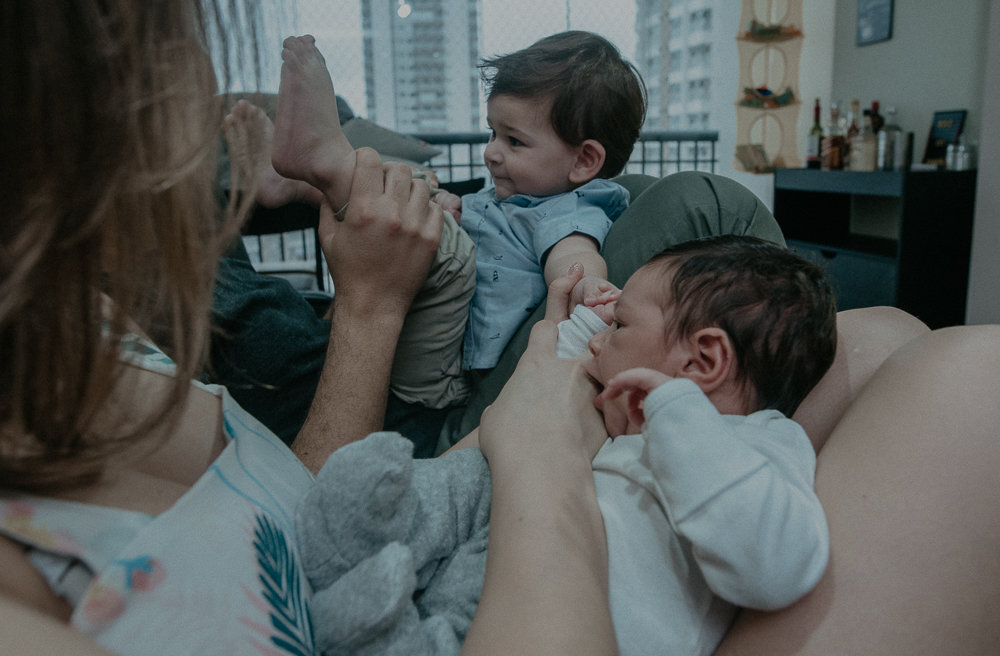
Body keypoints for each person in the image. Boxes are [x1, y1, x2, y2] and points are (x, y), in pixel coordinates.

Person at [0, 3, 608, 652]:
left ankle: (323, 175)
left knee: (425, 230)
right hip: (438, 415)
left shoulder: (79, 324)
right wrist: (540, 442)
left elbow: (293, 506)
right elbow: (319, 517)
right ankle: (324, 174)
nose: (204, 81)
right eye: (176, 48)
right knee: (435, 236)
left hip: (423, 388)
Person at [294, 235, 837, 656]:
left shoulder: (762, 443)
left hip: (566, 619)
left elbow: (777, 568)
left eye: (620, 325)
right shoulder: (628, 409)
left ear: (702, 361)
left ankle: (364, 620)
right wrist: (578, 328)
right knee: (467, 482)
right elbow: (565, 378)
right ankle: (362, 529)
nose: (603, 340)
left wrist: (677, 412)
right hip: (506, 543)